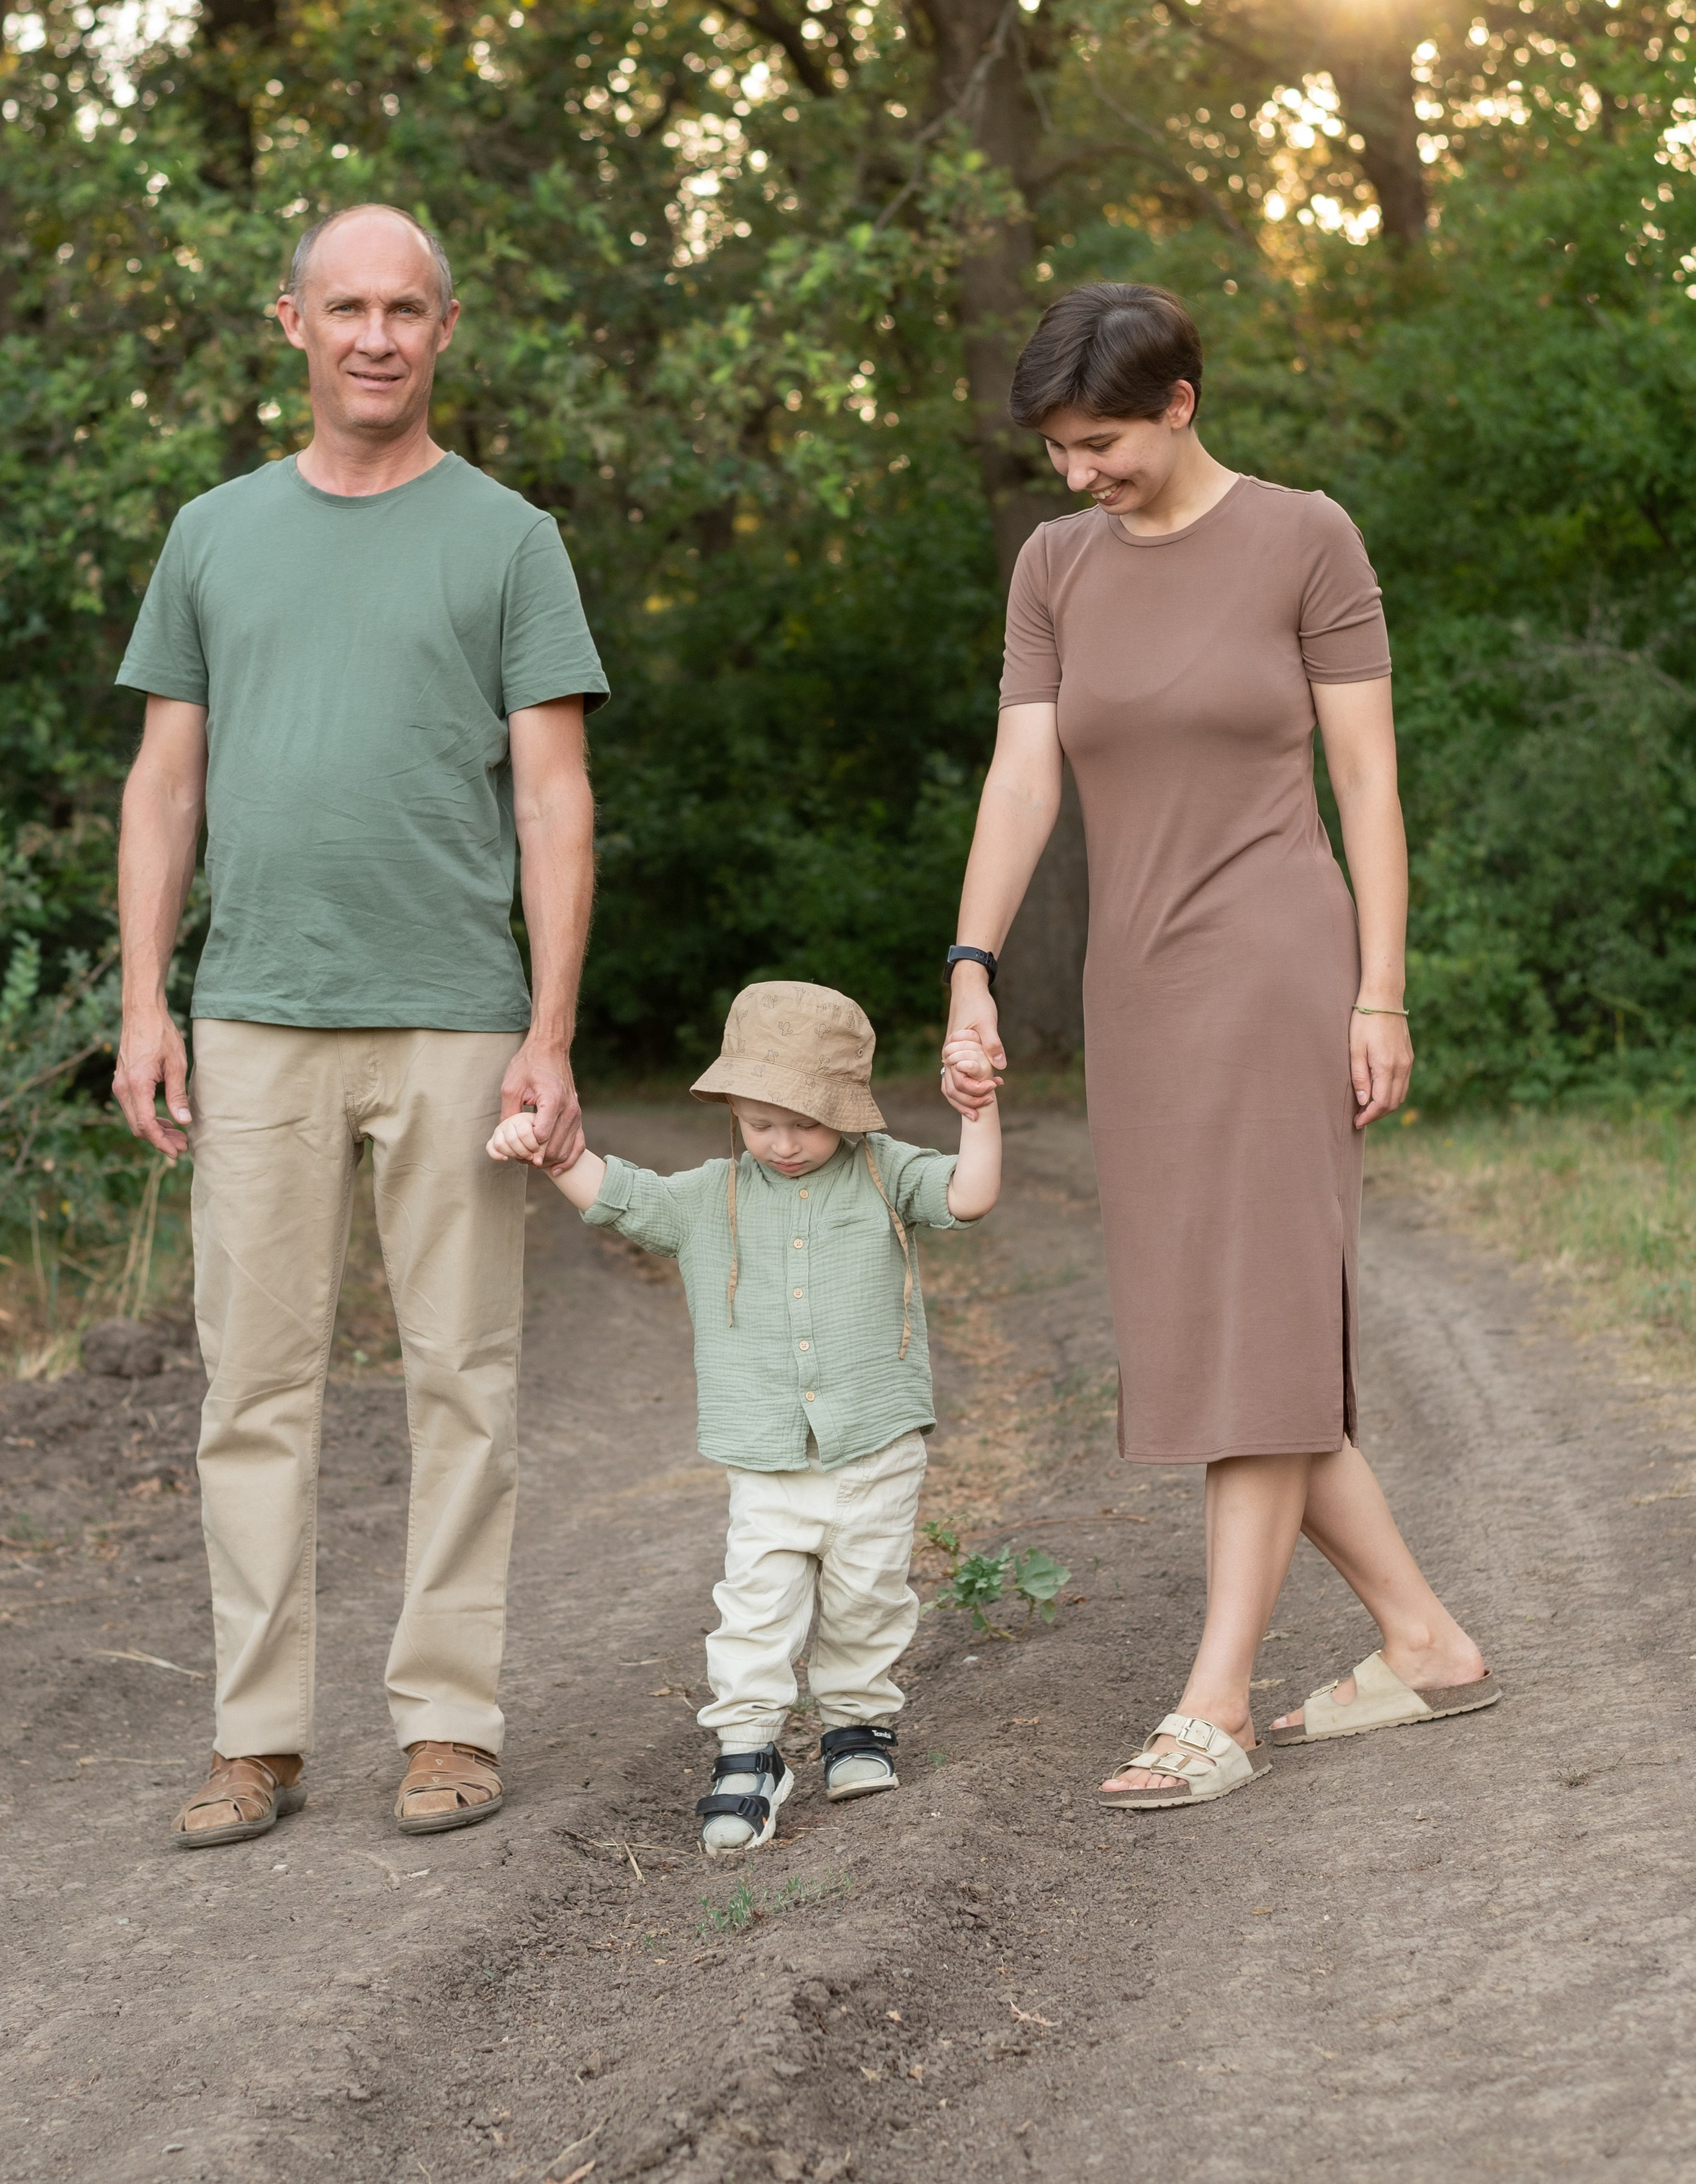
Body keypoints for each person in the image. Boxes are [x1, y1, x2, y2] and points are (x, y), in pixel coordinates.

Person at [941, 282, 1496, 1812]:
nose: (1076, 476)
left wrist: (1376, 993)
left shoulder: (1303, 537)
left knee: (1248, 1327)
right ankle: (1422, 1639)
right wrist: (969, 965)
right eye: (1056, 449)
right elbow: (1018, 782)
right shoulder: (1054, 568)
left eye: (1098, 441)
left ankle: (1215, 1701)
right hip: (1137, 987)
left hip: (1272, 966)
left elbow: (1366, 784)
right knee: (1206, 1329)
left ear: (1178, 401)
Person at [111, 202, 609, 1848]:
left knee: (460, 1378)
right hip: (252, 1014)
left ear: (443, 330)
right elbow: (163, 777)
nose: (376, 334)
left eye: (406, 307)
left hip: (457, 1021)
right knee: (251, 1386)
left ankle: (447, 1720)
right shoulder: (213, 533)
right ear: (292, 323)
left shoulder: (507, 536)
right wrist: (143, 998)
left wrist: (547, 1024)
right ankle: (255, 1736)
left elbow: (552, 793)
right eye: (347, 307)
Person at [489, 981, 1002, 1851]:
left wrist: (979, 1112)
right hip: (765, 1456)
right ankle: (749, 1750)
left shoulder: (885, 1173)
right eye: (761, 1123)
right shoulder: (708, 1196)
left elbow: (970, 1196)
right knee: (755, 1611)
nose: (783, 1142)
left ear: (849, 1110)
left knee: (866, 1598)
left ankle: (856, 1727)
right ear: (732, 1109)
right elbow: (618, 1193)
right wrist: (546, 1151)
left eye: (804, 1122)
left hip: (875, 1445)